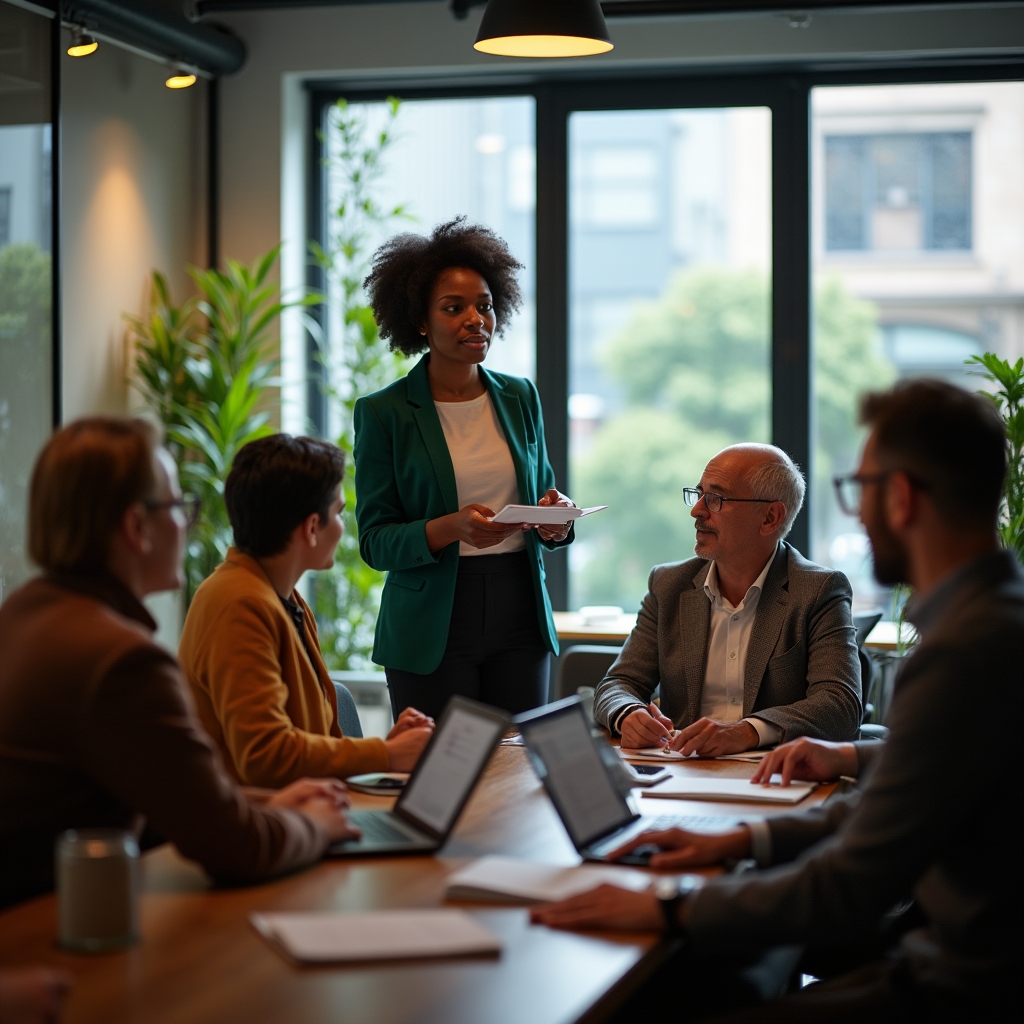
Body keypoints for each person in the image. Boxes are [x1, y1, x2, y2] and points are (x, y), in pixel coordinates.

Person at [531, 380, 1022, 1021]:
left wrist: (669, 907)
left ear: (901, 497)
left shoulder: (965, 651)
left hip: (959, 984)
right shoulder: (993, 622)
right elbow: (895, 800)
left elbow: (849, 881)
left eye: (861, 489)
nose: (857, 515)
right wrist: (740, 841)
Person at [0, 417, 357, 911]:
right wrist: (313, 825)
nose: (188, 524)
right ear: (136, 528)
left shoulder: (21, 615)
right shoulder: (122, 661)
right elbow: (236, 848)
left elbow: (166, 797)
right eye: (177, 507)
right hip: (49, 931)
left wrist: (263, 806)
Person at [353, 217, 574, 720]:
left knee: (517, 760)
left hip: (520, 612)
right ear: (421, 321)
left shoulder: (520, 396)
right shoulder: (384, 412)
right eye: (454, 308)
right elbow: (375, 542)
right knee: (443, 765)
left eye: (485, 305)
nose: (476, 319)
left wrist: (555, 518)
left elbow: (544, 494)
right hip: (432, 623)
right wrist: (451, 528)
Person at [179, 435, 434, 788]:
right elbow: (266, 755)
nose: (343, 527)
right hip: (261, 815)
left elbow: (309, 739)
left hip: (303, 804)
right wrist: (385, 755)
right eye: (339, 513)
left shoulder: (282, 597)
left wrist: (388, 749)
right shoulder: (239, 605)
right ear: (312, 527)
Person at [594, 443, 862, 756]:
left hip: (770, 772)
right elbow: (617, 684)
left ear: (770, 517)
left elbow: (840, 705)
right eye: (698, 494)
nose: (696, 511)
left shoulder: (818, 590)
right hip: (681, 768)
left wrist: (747, 731)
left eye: (715, 499)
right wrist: (628, 714)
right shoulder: (669, 585)